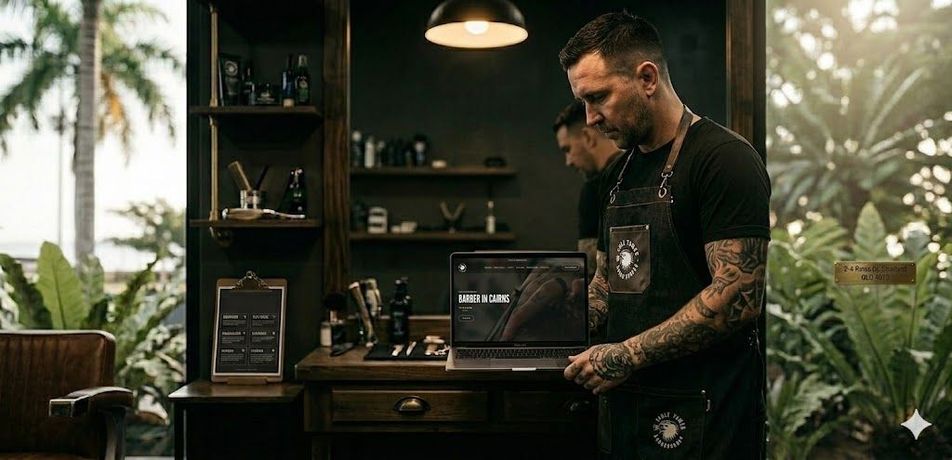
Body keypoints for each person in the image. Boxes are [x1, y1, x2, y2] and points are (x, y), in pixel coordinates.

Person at [559, 11, 770, 459]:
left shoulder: (724, 160)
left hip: (704, 417)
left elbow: (737, 299)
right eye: (583, 103)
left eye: (598, 98)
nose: (590, 119)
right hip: (626, 414)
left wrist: (624, 355)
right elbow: (608, 280)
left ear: (647, 78)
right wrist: (546, 331)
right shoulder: (618, 173)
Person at [553, 100, 622, 280]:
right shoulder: (643, 171)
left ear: (587, 138)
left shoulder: (593, 190)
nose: (568, 161)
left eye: (568, 149)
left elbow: (591, 272)